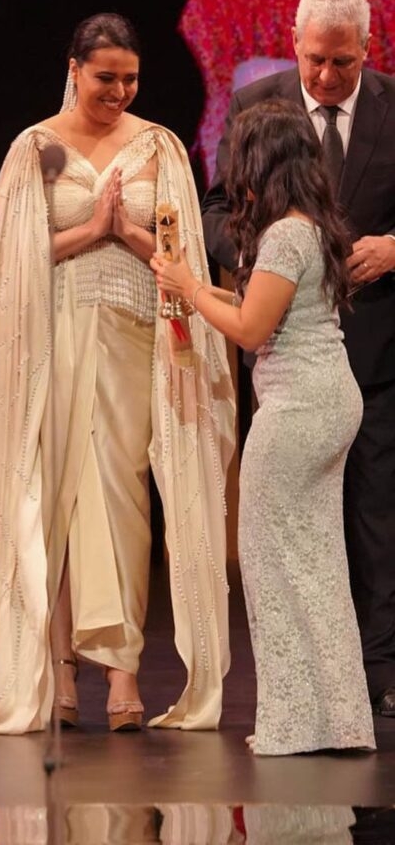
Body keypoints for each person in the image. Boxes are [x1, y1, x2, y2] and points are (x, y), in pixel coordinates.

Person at [0, 13, 235, 734]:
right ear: (74, 68)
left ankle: (123, 673)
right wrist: (89, 231)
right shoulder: (38, 149)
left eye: (129, 78)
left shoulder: (158, 148)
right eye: (104, 76)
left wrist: (128, 233)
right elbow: (14, 257)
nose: (117, 89)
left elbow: (182, 255)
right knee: (55, 495)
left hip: (135, 337)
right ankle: (56, 675)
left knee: (120, 499)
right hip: (54, 340)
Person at [154, 99, 376, 755]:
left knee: (273, 562)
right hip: (327, 400)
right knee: (315, 562)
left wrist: (190, 288)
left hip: (298, 410)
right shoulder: (312, 227)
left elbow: (251, 330)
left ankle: (293, 724)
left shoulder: (284, 235)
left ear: (258, 162)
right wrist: (191, 284)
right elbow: (263, 309)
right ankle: (334, 720)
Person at [202, 0, 395, 719]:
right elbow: (220, 208)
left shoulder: (391, 106)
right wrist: (267, 260)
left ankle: (377, 669)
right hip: (287, 351)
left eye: (341, 63)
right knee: (298, 530)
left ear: (366, 51)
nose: (324, 77)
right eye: (315, 60)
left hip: (377, 350)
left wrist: (391, 247)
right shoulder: (262, 107)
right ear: (294, 41)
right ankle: (312, 673)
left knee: (376, 519)